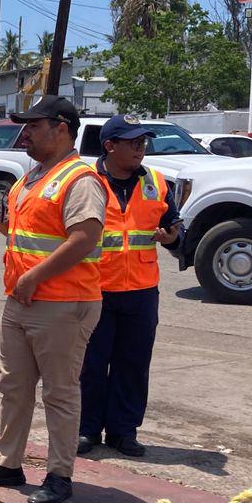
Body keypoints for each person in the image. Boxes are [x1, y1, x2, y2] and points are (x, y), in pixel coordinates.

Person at [0, 95, 106, 503]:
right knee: (15, 387)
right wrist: (0, 224)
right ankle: (8, 463)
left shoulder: (80, 179)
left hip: (62, 303)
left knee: (59, 393)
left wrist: (33, 277)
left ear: (61, 128)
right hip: (24, 299)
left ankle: (60, 475)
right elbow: (35, 239)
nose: (24, 134)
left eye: (33, 126)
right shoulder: (33, 177)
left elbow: (84, 239)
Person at [77, 115, 183, 457]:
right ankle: (87, 429)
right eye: (133, 142)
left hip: (141, 290)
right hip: (95, 288)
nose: (141, 148)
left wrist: (171, 238)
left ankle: (123, 431)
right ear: (110, 146)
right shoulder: (86, 180)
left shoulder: (156, 181)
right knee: (91, 363)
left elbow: (174, 229)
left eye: (143, 142)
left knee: (133, 363)